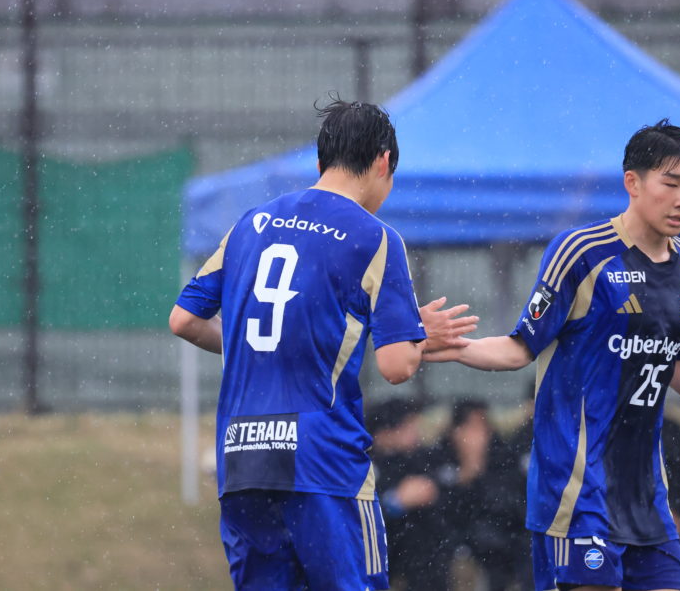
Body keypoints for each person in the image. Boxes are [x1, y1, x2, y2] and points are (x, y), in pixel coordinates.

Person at [426, 119, 680, 591]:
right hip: (577, 490)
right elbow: (520, 347)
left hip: (646, 497)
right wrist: (452, 347)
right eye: (671, 183)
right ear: (632, 182)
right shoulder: (582, 253)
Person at [169, 96, 478, 590]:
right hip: (322, 462)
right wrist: (416, 334)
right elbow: (397, 366)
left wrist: (262, 345)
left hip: (244, 457)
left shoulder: (252, 224)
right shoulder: (374, 238)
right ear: (383, 163)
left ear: (320, 162)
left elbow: (184, 320)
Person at [433, 397, 531, 590]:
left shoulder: (504, 459)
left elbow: (510, 507)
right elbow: (443, 511)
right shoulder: (437, 459)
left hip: (503, 548)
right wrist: (468, 471)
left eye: (483, 427)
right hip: (455, 548)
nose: (480, 435)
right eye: (472, 427)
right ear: (456, 431)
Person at [368, 397, 453, 590]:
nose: (416, 433)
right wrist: (395, 502)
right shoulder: (365, 466)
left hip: (425, 565)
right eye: (408, 427)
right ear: (384, 432)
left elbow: (451, 501)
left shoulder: (424, 460)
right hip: (384, 562)